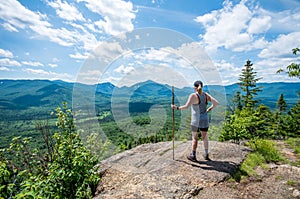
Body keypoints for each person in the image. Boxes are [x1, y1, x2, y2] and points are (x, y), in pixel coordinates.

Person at [171, 80, 219, 161]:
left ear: (194, 87)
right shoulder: (206, 95)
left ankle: (193, 155)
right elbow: (216, 103)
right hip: (204, 119)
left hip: (195, 120)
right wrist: (209, 109)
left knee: (195, 138)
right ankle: (206, 154)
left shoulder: (193, 96)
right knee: (205, 137)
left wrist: (176, 108)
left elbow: (186, 107)